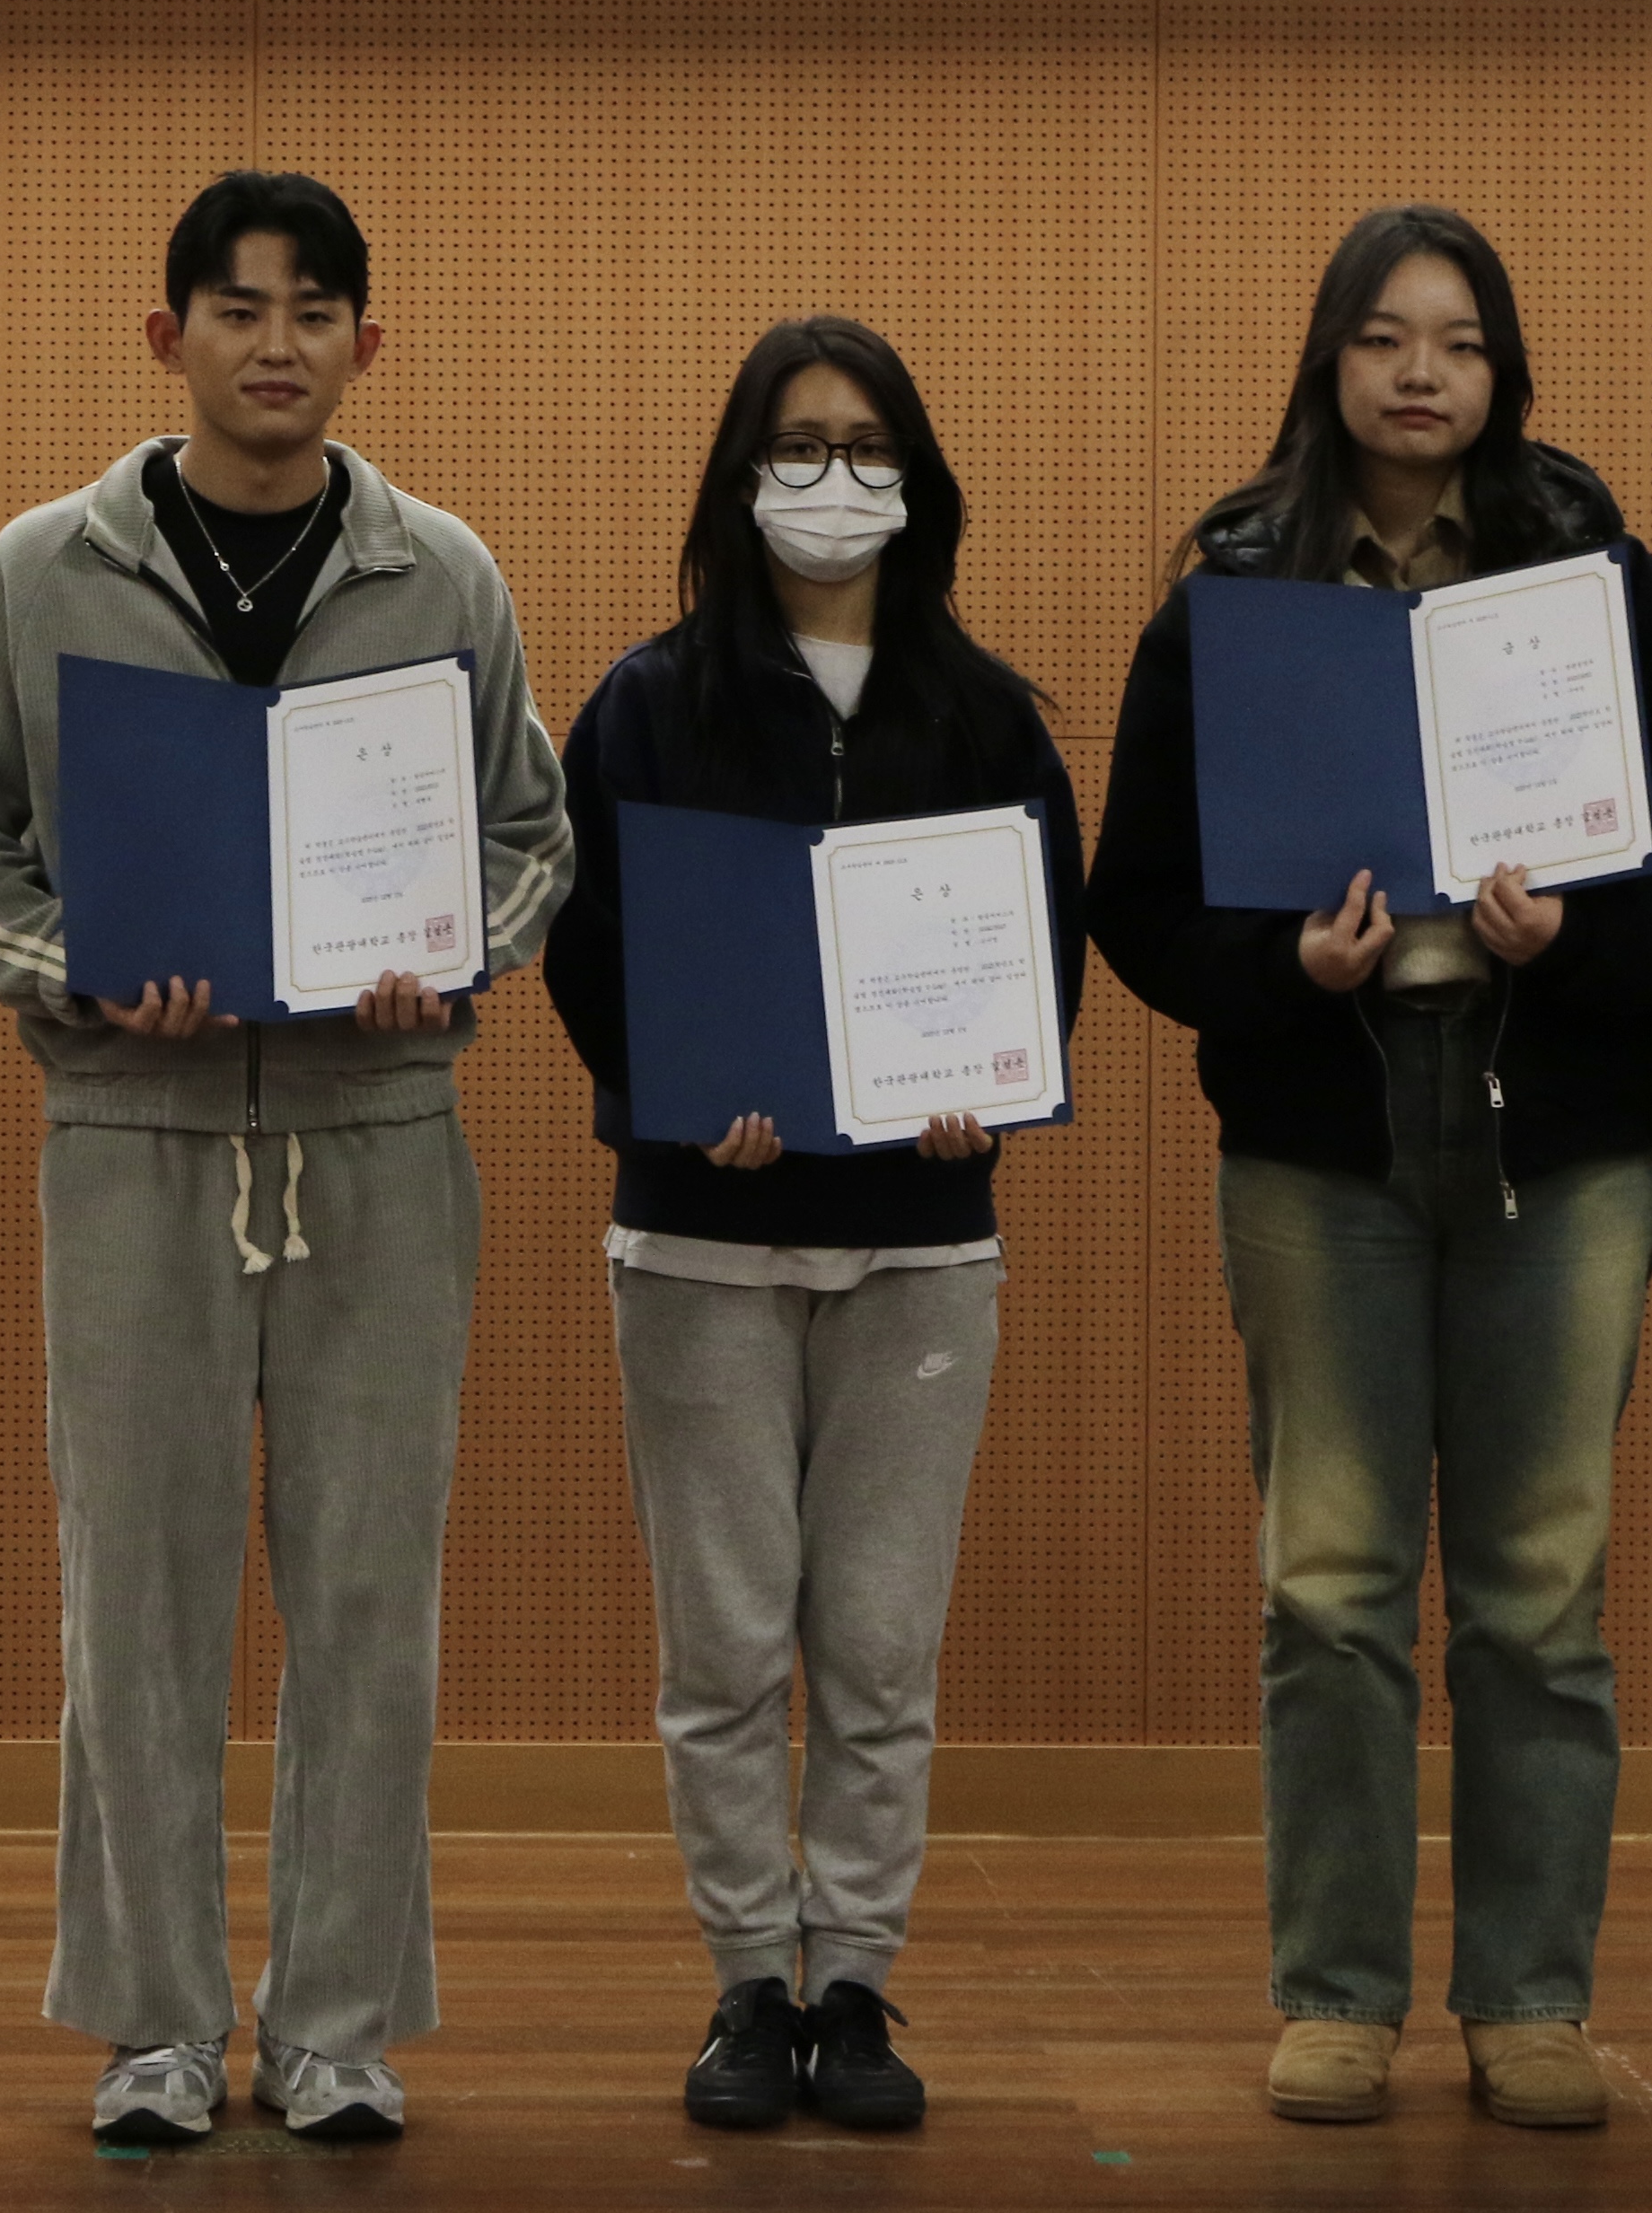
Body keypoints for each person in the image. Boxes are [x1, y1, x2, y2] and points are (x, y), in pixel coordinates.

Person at [0, 170, 572, 2151]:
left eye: (314, 310)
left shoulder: (444, 576)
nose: (277, 344)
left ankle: (339, 2023)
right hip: (133, 1135)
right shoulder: (46, 571)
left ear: (370, 340)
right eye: (239, 308)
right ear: (165, 334)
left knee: (369, 1597)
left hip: (380, 1136)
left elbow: (529, 836)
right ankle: (157, 2023)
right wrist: (73, 974)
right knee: (139, 1597)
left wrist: (446, 952)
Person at [1084, 206, 1652, 2133]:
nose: (1420, 374)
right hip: (1326, 1135)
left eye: (1459, 343)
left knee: (1538, 1594)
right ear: (1331, 361)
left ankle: (1531, 1998)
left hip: (1561, 1134)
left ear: (1503, 374)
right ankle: (1338, 1996)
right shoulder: (1237, 589)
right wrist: (1280, 970)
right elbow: (1136, 899)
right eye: (1385, 338)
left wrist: (1588, 940)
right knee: (1330, 1587)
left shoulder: (1593, 579)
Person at [538, 318, 1084, 2138]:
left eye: (868, 447)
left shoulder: (989, 717)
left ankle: (851, 1980)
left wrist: (987, 1088)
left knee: (877, 1647)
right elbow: (591, 953)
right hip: (703, 1239)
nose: (832, 481)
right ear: (737, 477)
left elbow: (1041, 959)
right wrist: (680, 1094)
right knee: (721, 1649)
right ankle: (743, 1987)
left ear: (917, 483)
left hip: (920, 1244)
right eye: (798, 445)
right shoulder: (644, 708)